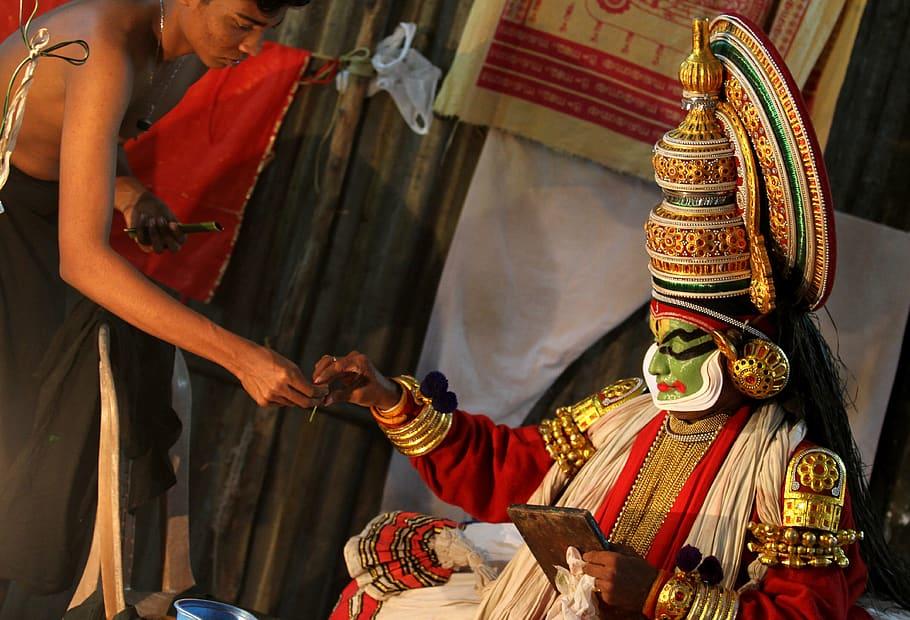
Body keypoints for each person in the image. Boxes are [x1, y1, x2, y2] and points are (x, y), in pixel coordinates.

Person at [317, 15, 910, 620]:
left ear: (752, 354)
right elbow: (505, 471)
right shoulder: (620, 414)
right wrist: (388, 397)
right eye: (660, 338)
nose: (663, 361)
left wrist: (656, 596)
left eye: (687, 342)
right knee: (371, 601)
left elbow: (805, 614)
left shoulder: (798, 472)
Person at [0, 0, 320, 602]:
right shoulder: (103, 45)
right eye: (243, 24)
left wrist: (132, 195)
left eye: (266, 32)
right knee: (15, 435)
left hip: (33, 221)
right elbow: (85, 261)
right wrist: (242, 356)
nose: (251, 48)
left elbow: (85, 129)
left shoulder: (191, 50)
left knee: (31, 444)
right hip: (9, 213)